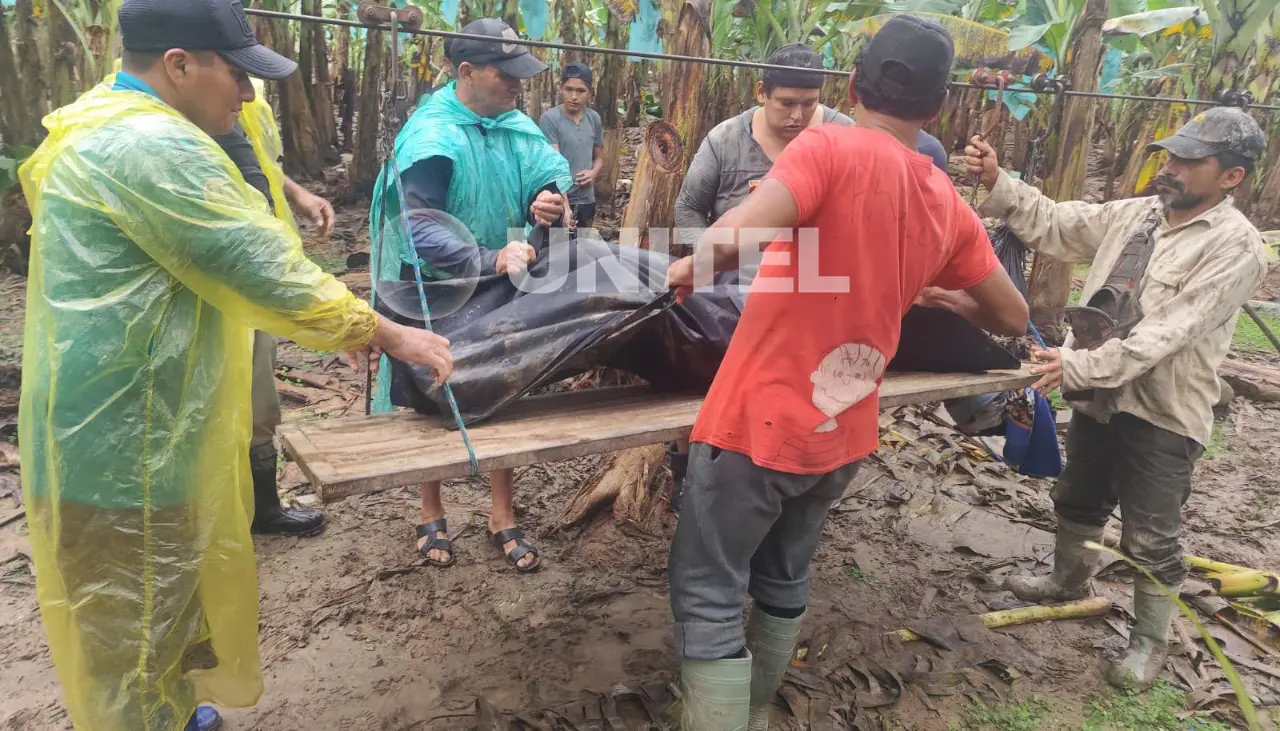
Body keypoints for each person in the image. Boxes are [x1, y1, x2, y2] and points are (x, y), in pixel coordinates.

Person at [17, 1, 454, 729]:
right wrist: (388, 332)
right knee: (133, 616)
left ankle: (171, 709)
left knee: (154, 602)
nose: (248, 97)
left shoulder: (102, 119)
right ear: (179, 65)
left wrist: (329, 322)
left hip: (119, 417)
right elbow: (261, 267)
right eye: (237, 76)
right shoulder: (152, 148)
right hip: (128, 437)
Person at [663, 17, 1029, 729]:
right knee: (784, 572)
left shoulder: (826, 146)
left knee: (708, 588)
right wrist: (941, 290)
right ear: (939, 106)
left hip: (755, 424)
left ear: (852, 86)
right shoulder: (944, 197)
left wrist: (689, 264)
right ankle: (756, 710)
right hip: (846, 425)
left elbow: (734, 237)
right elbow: (1012, 315)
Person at [966, 106, 1268, 690]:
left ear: (1231, 176)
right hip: (1099, 395)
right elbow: (1055, 222)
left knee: (1152, 534)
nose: (1172, 167)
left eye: (1190, 161)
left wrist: (1077, 364)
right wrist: (997, 181)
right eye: (1171, 156)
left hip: (1162, 408)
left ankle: (1148, 643)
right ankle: (1067, 580)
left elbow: (1166, 334)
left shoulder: (1236, 248)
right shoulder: (1136, 215)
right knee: (1079, 497)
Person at [667, 43, 954, 508]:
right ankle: (689, 473)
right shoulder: (725, 140)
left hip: (820, 299)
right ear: (761, 92)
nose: (799, 115)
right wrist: (710, 265)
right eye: (786, 103)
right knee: (694, 373)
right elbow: (687, 209)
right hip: (728, 289)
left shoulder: (844, 135)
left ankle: (797, 481)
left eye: (810, 103)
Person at [371, 18, 571, 573]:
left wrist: (549, 202)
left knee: (508, 390)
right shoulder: (433, 134)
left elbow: (548, 180)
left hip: (503, 282)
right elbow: (418, 226)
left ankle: (501, 514)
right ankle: (430, 510)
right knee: (430, 395)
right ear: (465, 72)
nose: (516, 84)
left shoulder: (515, 125)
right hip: (433, 289)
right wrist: (488, 259)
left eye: (519, 74)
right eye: (504, 74)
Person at [212, 87, 338, 538]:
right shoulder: (155, 112)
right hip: (217, 276)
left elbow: (258, 158)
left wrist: (297, 194)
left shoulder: (246, 95)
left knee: (259, 395)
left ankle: (263, 506)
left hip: (259, 272)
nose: (243, 89)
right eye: (236, 74)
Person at [539, 62, 604, 231]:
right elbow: (554, 166)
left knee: (582, 250)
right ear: (561, 89)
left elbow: (599, 157)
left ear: (590, 93)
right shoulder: (550, 119)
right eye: (569, 89)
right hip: (558, 199)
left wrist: (593, 173)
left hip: (587, 199)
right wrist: (565, 208)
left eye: (581, 91)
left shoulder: (594, 118)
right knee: (559, 252)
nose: (574, 96)